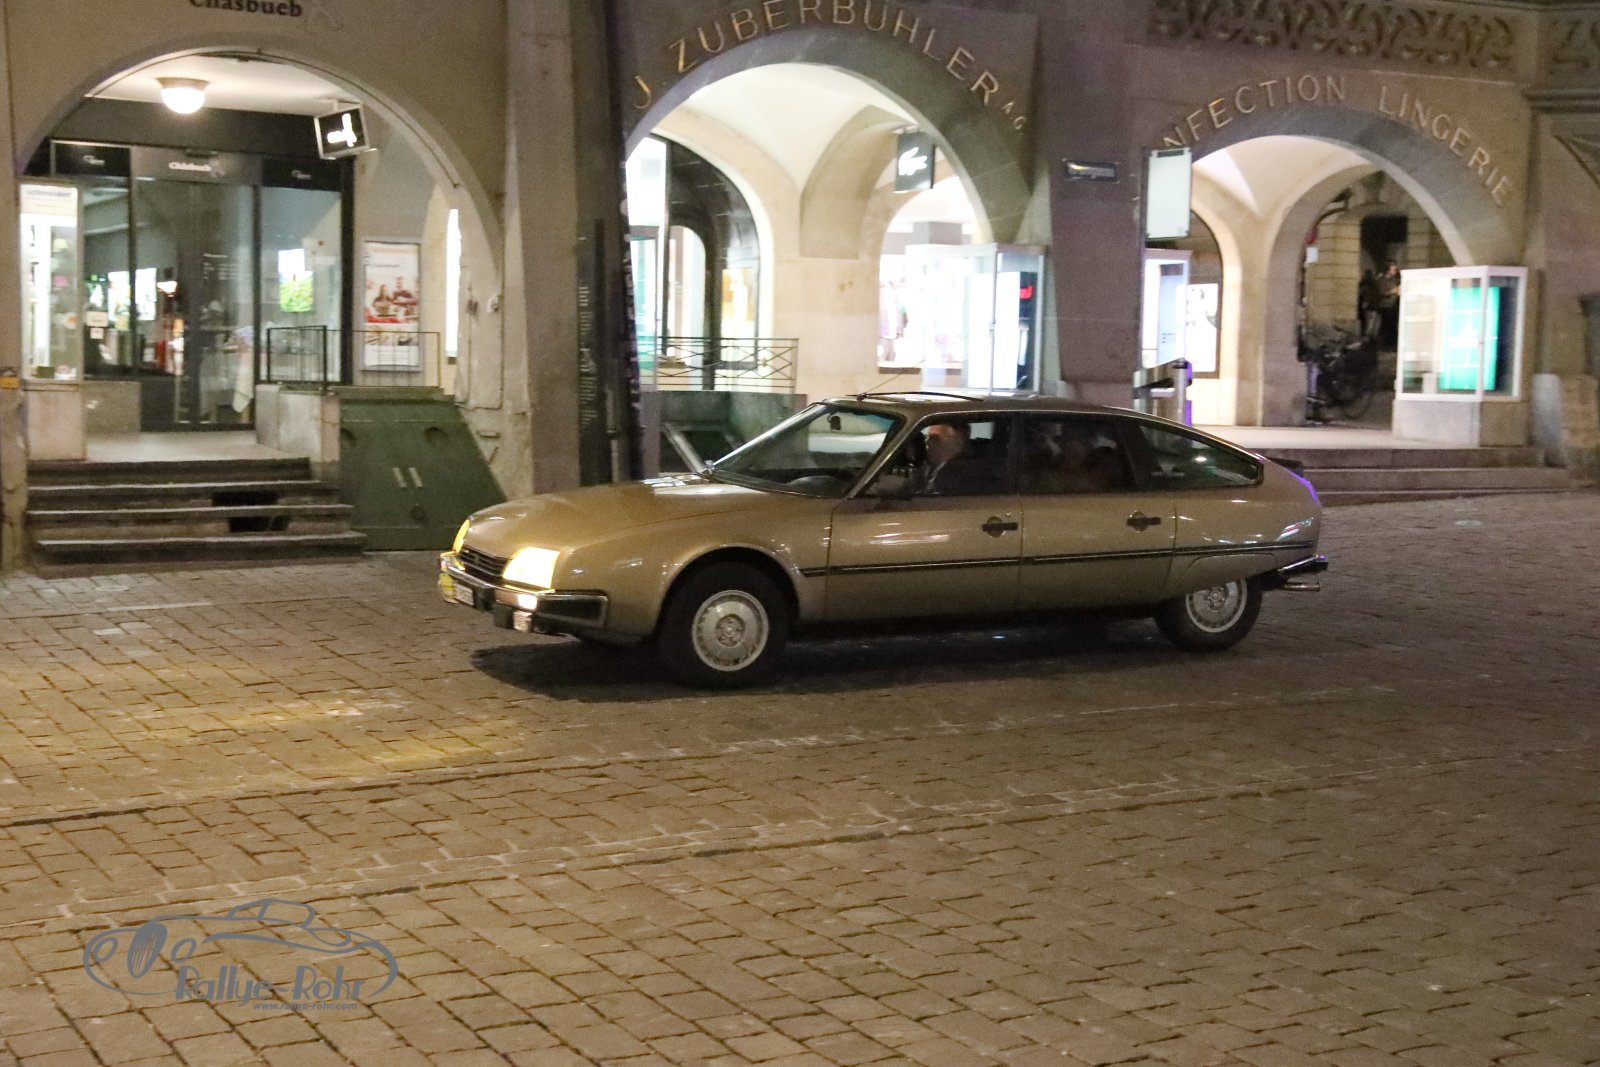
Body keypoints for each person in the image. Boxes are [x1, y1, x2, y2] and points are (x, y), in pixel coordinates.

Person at [913, 421, 996, 496]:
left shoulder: (963, 470)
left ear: (959, 439)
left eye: (934, 438)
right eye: (927, 438)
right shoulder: (928, 467)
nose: (927, 443)